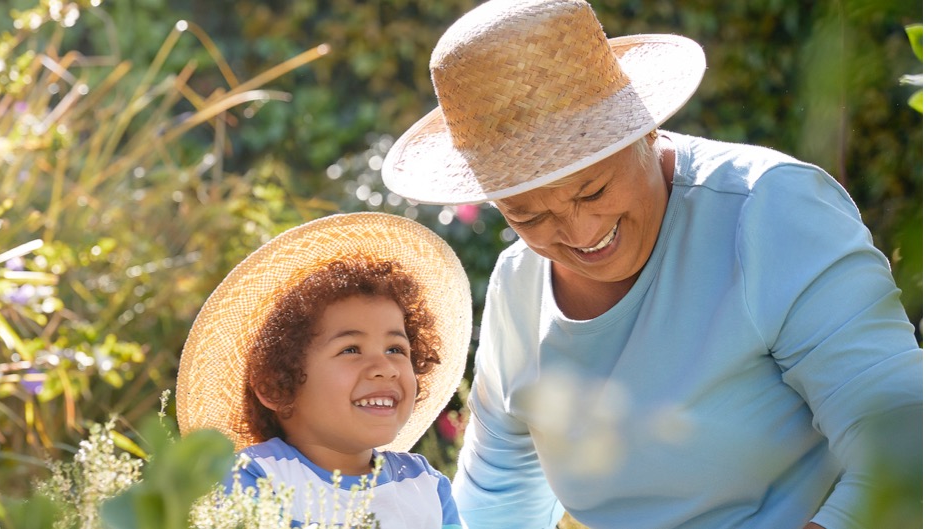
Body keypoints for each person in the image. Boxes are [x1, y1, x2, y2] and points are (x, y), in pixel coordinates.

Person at [379, 1, 925, 528]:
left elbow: (904, 443)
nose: (580, 233)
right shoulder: (519, 283)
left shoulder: (767, 211)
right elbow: (498, 496)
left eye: (592, 191)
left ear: (642, 126)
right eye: (528, 215)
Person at [176, 213, 470, 528]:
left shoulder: (424, 485)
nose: (385, 369)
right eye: (351, 350)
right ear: (277, 385)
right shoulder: (255, 477)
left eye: (396, 350)